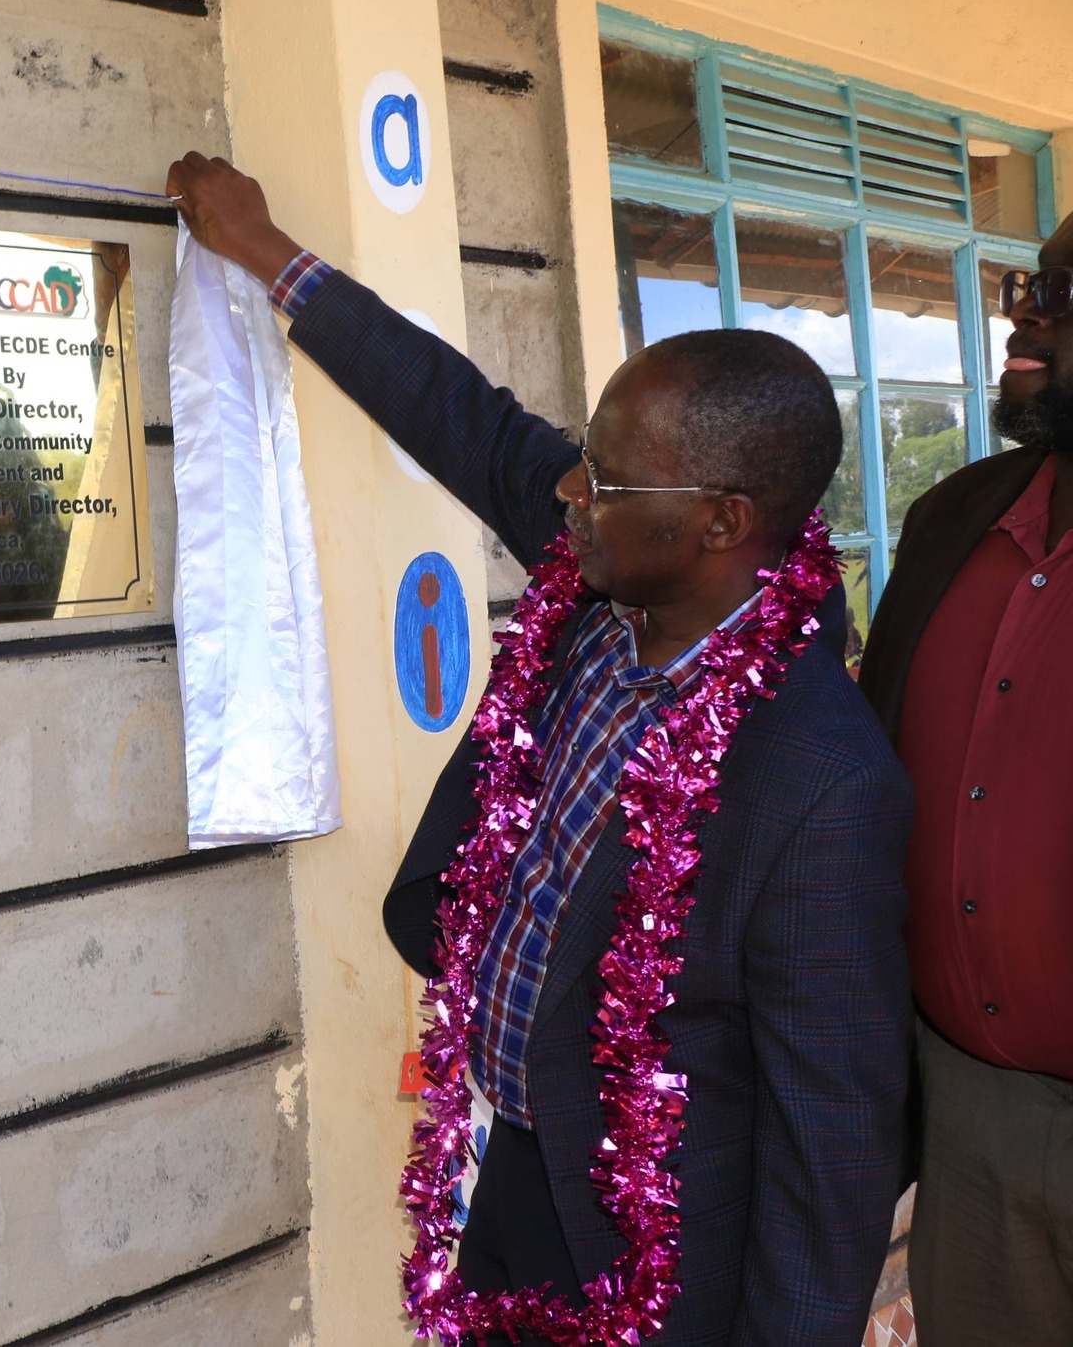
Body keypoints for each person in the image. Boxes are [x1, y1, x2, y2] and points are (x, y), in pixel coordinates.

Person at [167, 152, 912, 1345]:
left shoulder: (816, 782)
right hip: (514, 1165)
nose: (568, 486)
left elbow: (833, 1136)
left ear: (717, 521)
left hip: (653, 1252)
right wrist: (265, 253)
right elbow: (456, 414)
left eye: (605, 476)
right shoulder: (597, 571)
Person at [858, 210, 1073, 1344]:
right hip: (969, 1122)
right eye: (1026, 285)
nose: (1024, 312)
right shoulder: (953, 518)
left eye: (1064, 291)